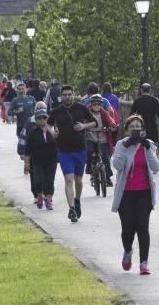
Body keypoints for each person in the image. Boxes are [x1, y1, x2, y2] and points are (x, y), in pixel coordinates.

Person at [111, 114, 159, 275]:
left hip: (144, 192)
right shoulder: (121, 144)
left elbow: (155, 167)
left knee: (142, 227)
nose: (136, 130)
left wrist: (148, 149)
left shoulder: (149, 145)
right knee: (128, 228)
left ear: (143, 130)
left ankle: (144, 263)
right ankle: (127, 251)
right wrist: (126, 146)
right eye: (132, 127)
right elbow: (117, 165)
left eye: (138, 127)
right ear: (126, 131)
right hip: (126, 193)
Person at [47, 85, 97, 223]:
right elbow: (47, 125)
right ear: (61, 96)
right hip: (64, 151)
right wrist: (53, 133)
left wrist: (84, 126)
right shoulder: (56, 111)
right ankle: (72, 209)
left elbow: (94, 122)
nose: (67, 97)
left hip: (80, 149)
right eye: (65, 95)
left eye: (69, 94)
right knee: (68, 179)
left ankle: (77, 201)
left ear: (73, 95)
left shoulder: (81, 108)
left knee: (78, 181)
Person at [24, 108, 58, 210]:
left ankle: (48, 201)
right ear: (36, 120)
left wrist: (52, 132)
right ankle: (40, 195)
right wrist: (27, 163)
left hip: (51, 160)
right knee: (38, 181)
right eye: (39, 118)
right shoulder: (32, 133)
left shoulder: (52, 131)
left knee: (50, 181)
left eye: (44, 118)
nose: (42, 120)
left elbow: (58, 141)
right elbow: (28, 150)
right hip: (38, 161)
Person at [85, 94, 117, 186]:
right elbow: (84, 121)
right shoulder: (88, 113)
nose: (96, 106)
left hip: (102, 138)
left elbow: (110, 120)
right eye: (94, 104)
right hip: (91, 137)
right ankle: (90, 167)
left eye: (98, 104)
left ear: (101, 105)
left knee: (106, 158)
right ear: (91, 104)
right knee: (89, 151)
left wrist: (112, 126)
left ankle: (107, 178)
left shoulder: (104, 113)